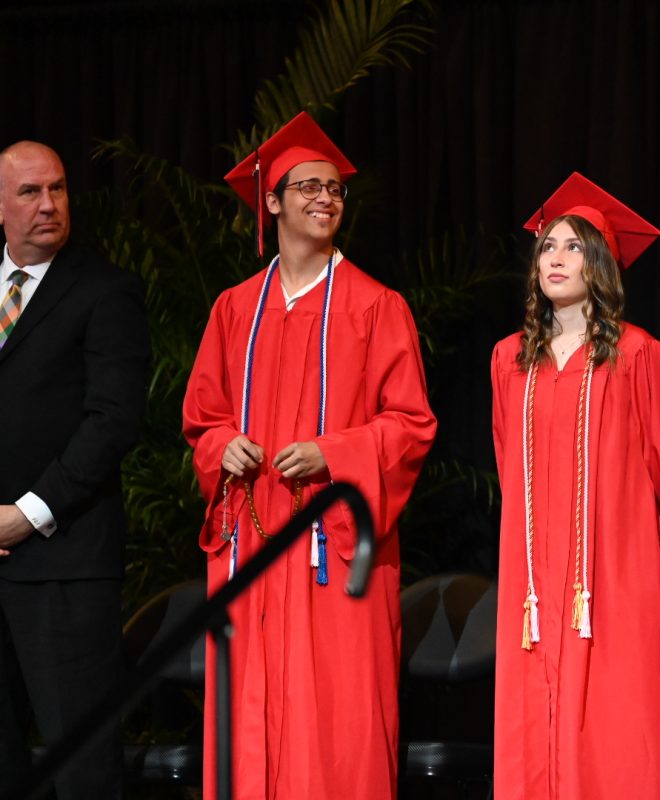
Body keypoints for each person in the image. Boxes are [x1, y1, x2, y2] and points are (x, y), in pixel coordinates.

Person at [182, 112, 437, 799]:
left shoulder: (377, 308)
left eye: (335, 190)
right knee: (250, 716)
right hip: (252, 543)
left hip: (337, 547)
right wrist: (220, 446)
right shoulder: (234, 310)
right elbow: (200, 421)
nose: (326, 199)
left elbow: (412, 425)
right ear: (272, 202)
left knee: (340, 725)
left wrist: (333, 451)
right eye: (309, 188)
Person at [490, 172, 660, 800]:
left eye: (574, 246)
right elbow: (510, 467)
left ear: (602, 262)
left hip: (619, 578)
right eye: (547, 247)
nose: (555, 258)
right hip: (534, 586)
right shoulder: (509, 361)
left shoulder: (643, 357)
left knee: (624, 732)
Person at [0, 141, 149, 798]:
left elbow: (112, 421)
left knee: (81, 763)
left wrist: (25, 516)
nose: (49, 205)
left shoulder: (103, 289)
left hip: (63, 561)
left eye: (58, 189)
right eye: (30, 192)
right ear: (0, 206)